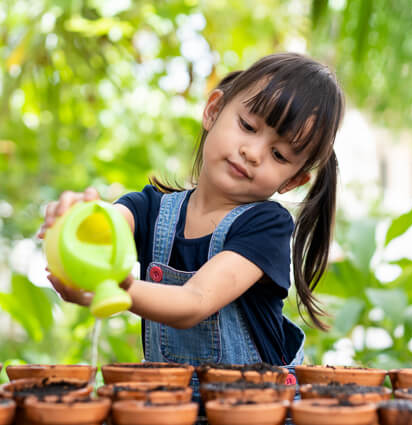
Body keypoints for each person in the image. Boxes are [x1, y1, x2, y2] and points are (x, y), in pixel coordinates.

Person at [38, 53, 345, 399]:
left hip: (255, 411)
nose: (253, 152)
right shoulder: (149, 209)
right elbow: (106, 226)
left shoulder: (266, 226)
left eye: (279, 155)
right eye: (248, 126)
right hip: (173, 406)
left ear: (292, 181)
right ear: (213, 110)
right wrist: (75, 217)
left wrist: (117, 289)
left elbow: (195, 302)